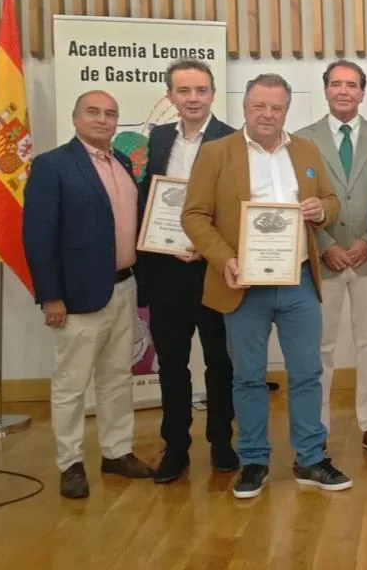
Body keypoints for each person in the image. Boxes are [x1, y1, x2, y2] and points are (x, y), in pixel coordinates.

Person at [182, 73, 348, 499]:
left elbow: (332, 203)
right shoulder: (217, 153)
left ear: (287, 111)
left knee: (307, 372)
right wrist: (226, 260)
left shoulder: (306, 150)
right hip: (244, 284)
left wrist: (319, 210)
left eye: (276, 107)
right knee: (248, 377)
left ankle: (310, 457)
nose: (268, 115)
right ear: (245, 107)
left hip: (297, 281)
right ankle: (254, 461)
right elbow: (194, 216)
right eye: (260, 106)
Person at [23, 90, 156, 499]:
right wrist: (51, 296)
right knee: (71, 384)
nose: (102, 120)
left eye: (110, 114)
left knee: (117, 377)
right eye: (93, 112)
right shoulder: (52, 166)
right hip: (77, 296)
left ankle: (116, 452)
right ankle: (70, 463)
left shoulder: (120, 163)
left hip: (124, 286)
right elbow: (38, 236)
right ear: (75, 117)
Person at [135, 60, 238, 483]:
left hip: (212, 267)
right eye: (184, 91)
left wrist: (207, 246)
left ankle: (221, 442)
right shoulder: (159, 138)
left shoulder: (233, 140)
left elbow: (235, 206)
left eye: (200, 90)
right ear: (171, 97)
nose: (193, 98)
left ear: (213, 94)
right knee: (172, 362)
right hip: (166, 272)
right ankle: (175, 445)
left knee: (220, 360)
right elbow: (149, 200)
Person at [295, 60, 367, 460]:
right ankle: (314, 429)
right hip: (323, 259)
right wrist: (323, 245)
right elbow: (295, 200)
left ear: (362, 93)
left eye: (351, 85)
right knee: (319, 348)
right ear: (325, 90)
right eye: (336, 84)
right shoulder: (301, 140)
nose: (344, 91)